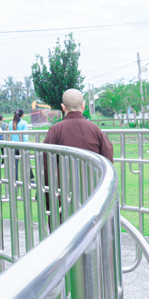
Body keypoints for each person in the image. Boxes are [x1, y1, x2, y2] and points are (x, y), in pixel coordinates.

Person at [41, 90, 114, 227]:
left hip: (63, 193)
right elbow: (107, 157)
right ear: (84, 106)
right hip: (91, 192)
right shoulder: (95, 129)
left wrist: (49, 195)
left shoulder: (55, 130)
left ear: (63, 107)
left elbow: (46, 163)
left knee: (63, 232)